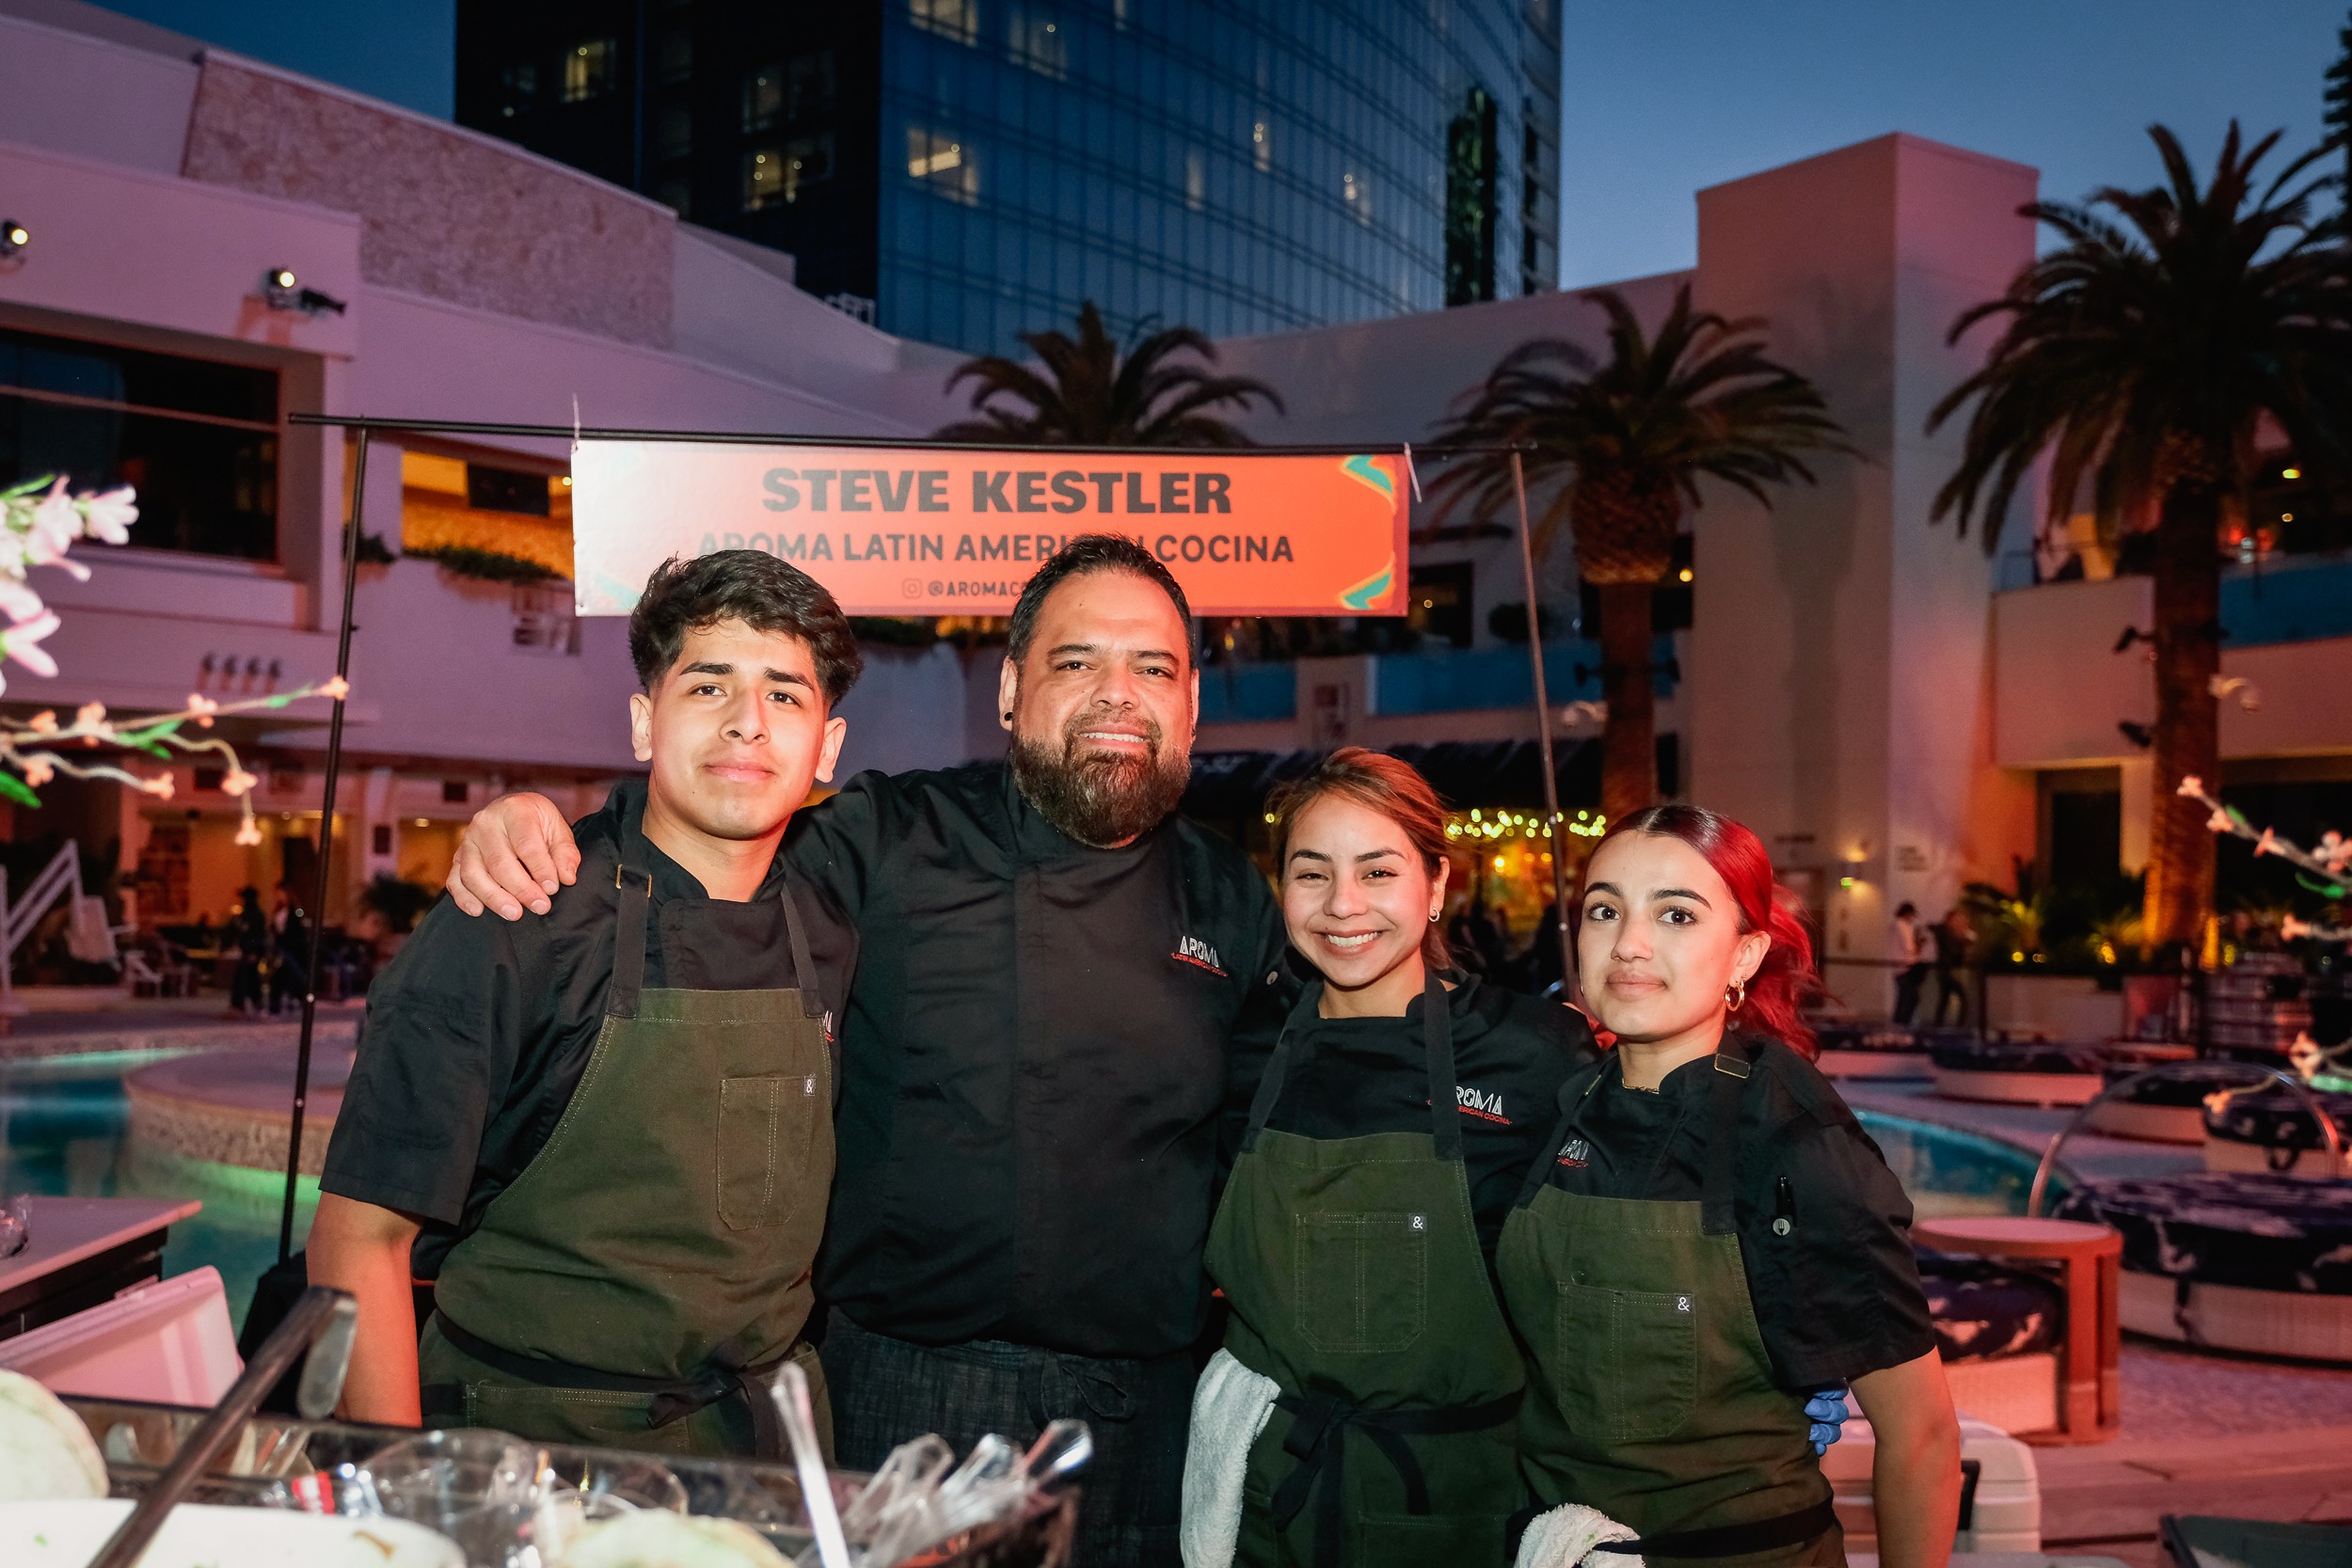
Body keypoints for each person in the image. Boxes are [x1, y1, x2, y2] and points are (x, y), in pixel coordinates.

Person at [444, 535, 1287, 1568]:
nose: (1119, 692)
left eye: (1153, 666)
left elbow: (1268, 1131)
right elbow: (707, 834)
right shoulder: (889, 834)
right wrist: (541, 831)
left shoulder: (1235, 897)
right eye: (1077, 662)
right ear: (1012, 691)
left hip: (1146, 1412)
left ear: (1192, 703)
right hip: (904, 1393)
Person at [309, 550, 862, 1455]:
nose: (748, 725)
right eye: (709, 687)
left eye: (786, 696)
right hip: (530, 1443)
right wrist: (401, 1498)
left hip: (765, 1456)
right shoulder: (515, 912)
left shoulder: (833, 921)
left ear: (827, 746)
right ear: (646, 723)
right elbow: (357, 1241)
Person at [1502, 805, 1960, 1568]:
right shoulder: (1553, 1106)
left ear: (1745, 954)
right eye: (1604, 909)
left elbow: (1922, 1436)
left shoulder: (1794, 1143)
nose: (1629, 944)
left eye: (1676, 913)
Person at [1183, 749, 1598, 1567]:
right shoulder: (1244, 1045)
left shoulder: (1534, 1053)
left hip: (1458, 1508)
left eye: (1377, 871)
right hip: (1272, 1507)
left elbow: (1613, 1248)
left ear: (1436, 884)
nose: (1343, 905)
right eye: (1312, 874)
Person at [1930, 906, 1972, 1028]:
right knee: (1961, 997)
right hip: (1946, 969)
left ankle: (1938, 1023)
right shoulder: (1946, 933)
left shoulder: (1945, 932)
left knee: (1945, 998)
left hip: (1944, 969)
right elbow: (1953, 950)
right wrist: (1964, 942)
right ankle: (1960, 1024)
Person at [1890, 902, 1929, 1027]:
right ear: (1907, 913)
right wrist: (1919, 944)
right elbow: (1909, 947)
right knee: (1910, 997)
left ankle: (1898, 1023)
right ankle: (1903, 1023)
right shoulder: (1902, 926)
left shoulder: (1898, 926)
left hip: (1900, 966)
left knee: (1903, 997)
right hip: (1906, 965)